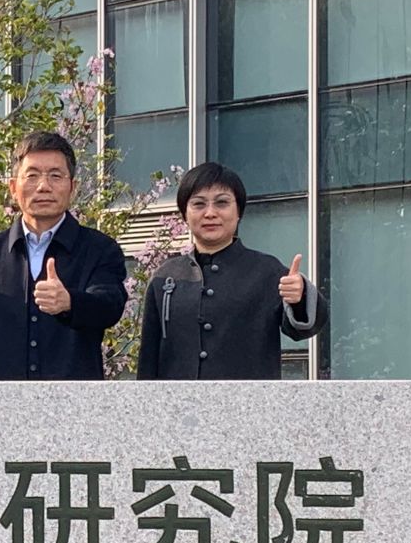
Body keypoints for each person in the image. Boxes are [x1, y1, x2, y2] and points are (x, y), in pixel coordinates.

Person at [137, 161, 326, 380]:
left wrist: (299, 296)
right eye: (198, 204)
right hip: (176, 401)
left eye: (222, 203)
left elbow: (303, 329)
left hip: (249, 399)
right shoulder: (165, 276)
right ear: (184, 214)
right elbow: (148, 358)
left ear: (239, 212)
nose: (210, 213)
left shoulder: (266, 271)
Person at [0, 130, 128, 380]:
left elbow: (110, 306)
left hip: (75, 399)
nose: (43, 186)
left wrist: (70, 302)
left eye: (55, 176)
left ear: (73, 187)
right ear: (13, 188)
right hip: (0, 400)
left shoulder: (100, 249)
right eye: (32, 176)